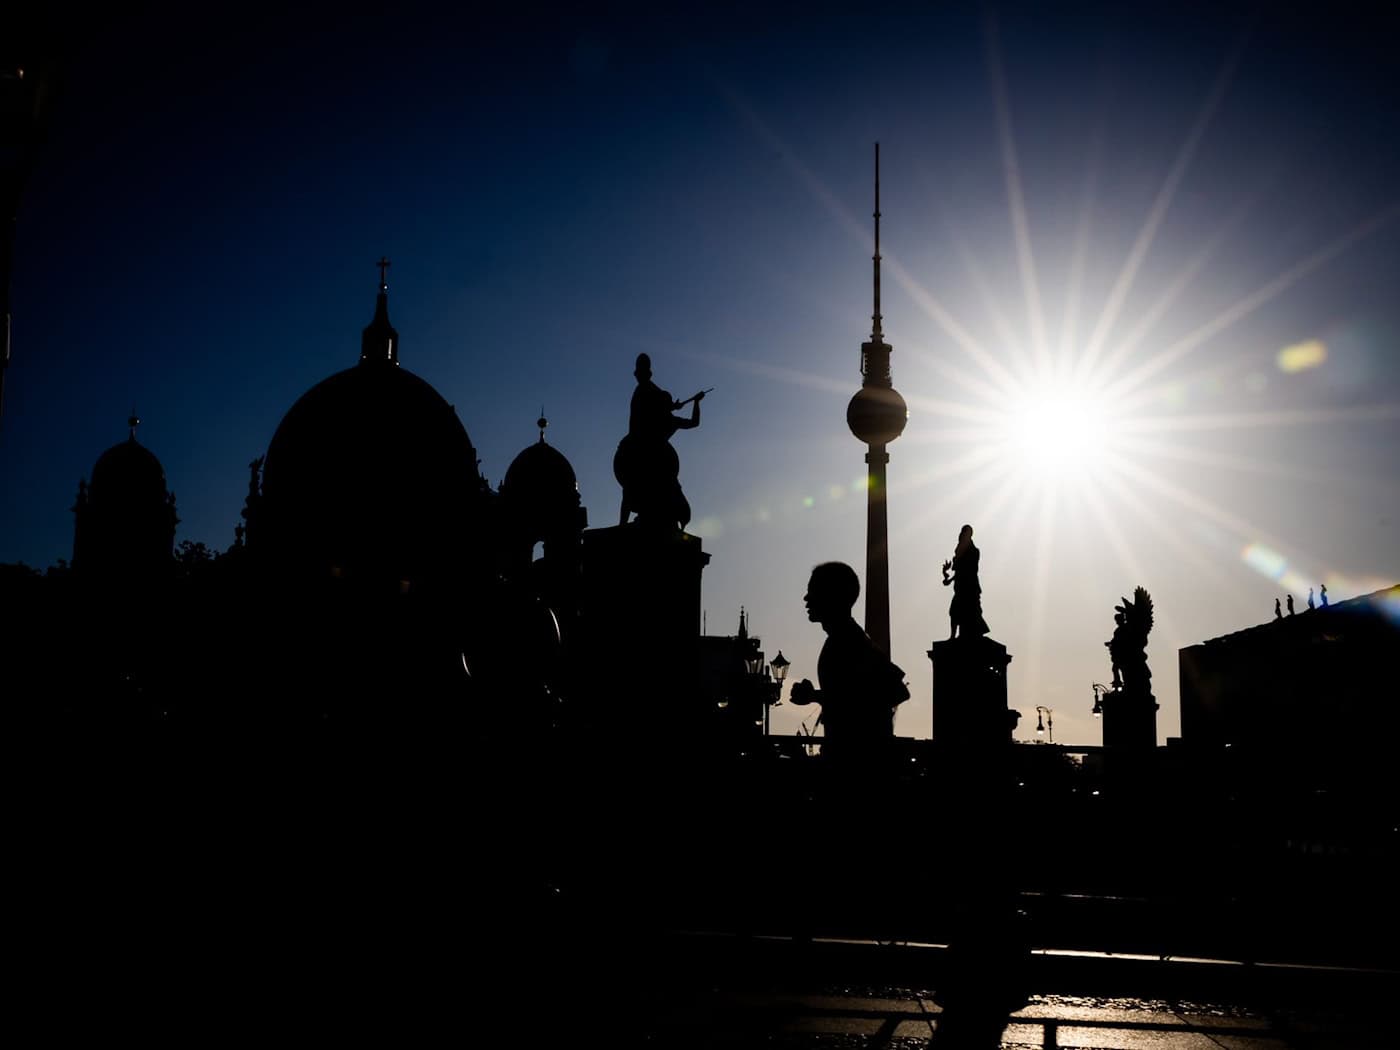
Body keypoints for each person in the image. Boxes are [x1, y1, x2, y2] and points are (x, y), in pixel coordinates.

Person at [789, 562, 908, 768]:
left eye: (813, 592)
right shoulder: (847, 638)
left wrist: (815, 696)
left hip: (855, 763)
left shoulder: (848, 641)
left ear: (832, 596)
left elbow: (894, 691)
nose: (806, 599)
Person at [614, 353, 705, 529]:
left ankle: (623, 525)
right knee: (646, 488)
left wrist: (686, 403)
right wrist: (696, 402)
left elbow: (650, 398)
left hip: (637, 456)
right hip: (648, 459)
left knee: (631, 490)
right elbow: (694, 422)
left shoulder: (647, 399)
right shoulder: (668, 419)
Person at [941, 524, 990, 640]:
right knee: (954, 611)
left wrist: (957, 569)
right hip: (960, 587)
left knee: (969, 611)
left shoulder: (974, 551)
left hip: (970, 587)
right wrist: (947, 574)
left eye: (965, 533)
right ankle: (953, 636)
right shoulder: (960, 551)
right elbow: (957, 573)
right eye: (963, 532)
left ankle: (966, 634)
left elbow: (971, 570)